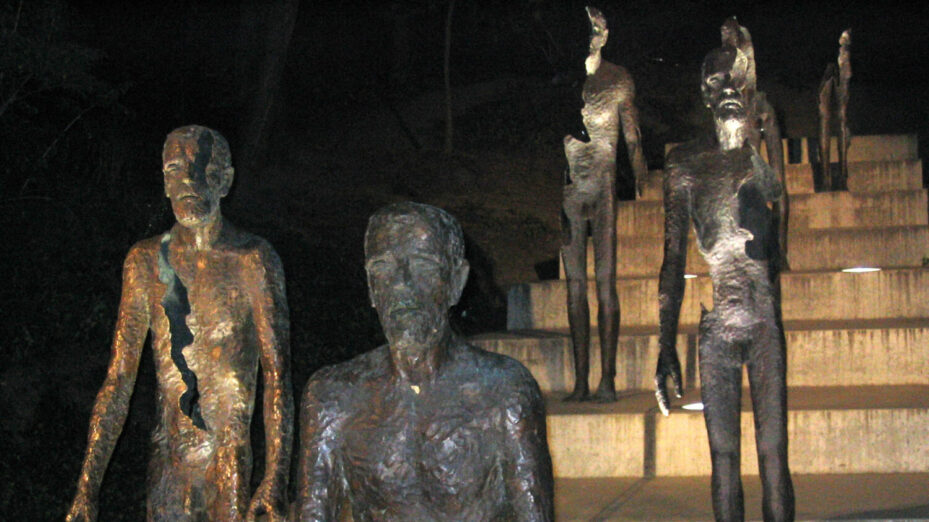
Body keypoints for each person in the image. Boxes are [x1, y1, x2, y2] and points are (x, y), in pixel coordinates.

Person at [66, 125, 293, 521]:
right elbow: (120, 378)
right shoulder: (144, 262)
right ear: (165, 183)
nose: (187, 180)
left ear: (225, 180)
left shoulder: (252, 260)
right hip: (169, 457)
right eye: (174, 169)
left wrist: (275, 477)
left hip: (230, 458)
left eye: (199, 167)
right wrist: (87, 488)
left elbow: (278, 375)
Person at [296, 201, 554, 521]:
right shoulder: (333, 399)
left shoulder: (505, 394)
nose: (401, 284)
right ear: (371, 288)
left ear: (456, 282)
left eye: (422, 264)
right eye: (383, 267)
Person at [654, 26, 795, 522]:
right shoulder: (685, 166)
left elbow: (773, 215)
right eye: (717, 83)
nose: (727, 91)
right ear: (703, 93)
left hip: (760, 321)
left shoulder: (756, 158)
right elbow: (672, 260)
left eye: (736, 82)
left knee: (774, 454)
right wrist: (664, 342)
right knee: (725, 459)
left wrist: (749, 139)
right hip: (718, 329)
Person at [561, 6, 648, 402]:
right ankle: (582, 380)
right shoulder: (566, 80)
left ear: (605, 34)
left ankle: (606, 377)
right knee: (575, 288)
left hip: (602, 186)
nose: (590, 37)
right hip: (569, 190)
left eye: (595, 30)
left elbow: (632, 135)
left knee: (604, 285)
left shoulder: (617, 79)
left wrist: (641, 170)